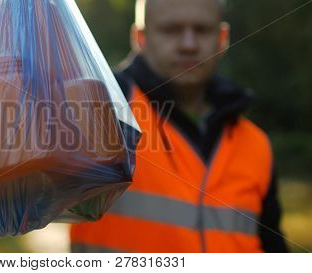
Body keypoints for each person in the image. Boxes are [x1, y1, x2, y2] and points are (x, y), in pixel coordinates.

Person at [70, 0, 289, 252]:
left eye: (202, 30)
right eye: (171, 30)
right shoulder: (104, 106)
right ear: (140, 37)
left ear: (223, 37)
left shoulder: (255, 144)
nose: (188, 44)